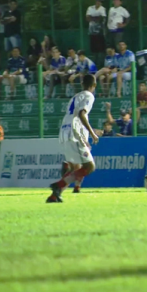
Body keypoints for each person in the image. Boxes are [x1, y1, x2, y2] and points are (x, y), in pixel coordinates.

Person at [48, 74, 99, 203]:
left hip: (64, 131)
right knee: (89, 167)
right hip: (74, 134)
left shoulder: (74, 97)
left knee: (74, 168)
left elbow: (75, 115)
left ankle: (55, 195)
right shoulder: (89, 96)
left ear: (82, 84)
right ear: (94, 85)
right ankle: (58, 185)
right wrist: (92, 133)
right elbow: (82, 114)